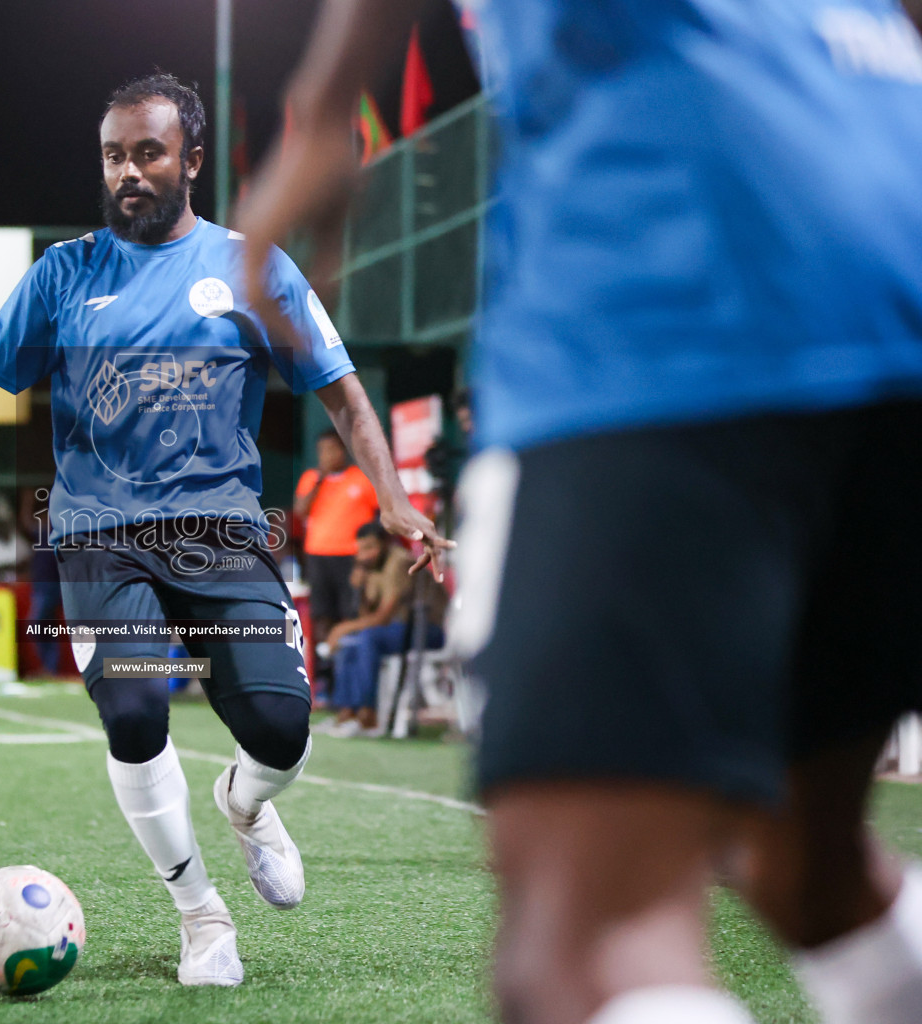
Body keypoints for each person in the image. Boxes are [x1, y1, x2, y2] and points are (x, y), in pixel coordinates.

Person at [237, 2, 922, 1023]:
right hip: (892, 217)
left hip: (679, 258)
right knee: (808, 861)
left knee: (591, 942)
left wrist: (325, 107)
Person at [0, 72, 451, 987]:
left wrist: (394, 500)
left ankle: (244, 803)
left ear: (191, 161)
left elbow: (343, 392)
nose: (127, 171)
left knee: (280, 729)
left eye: (148, 152)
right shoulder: (64, 274)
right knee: (133, 708)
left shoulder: (253, 268)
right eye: (115, 155)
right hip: (101, 532)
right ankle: (202, 918)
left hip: (221, 532)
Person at [324, 520, 445, 738]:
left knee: (367, 637)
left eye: (370, 547)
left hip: (430, 630)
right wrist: (359, 589)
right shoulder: (370, 566)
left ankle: (368, 716)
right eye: (361, 549)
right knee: (352, 640)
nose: (364, 555)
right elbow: (366, 616)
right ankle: (346, 713)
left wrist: (341, 628)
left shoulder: (398, 562)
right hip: (398, 629)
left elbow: (383, 617)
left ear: (386, 543)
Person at [294, 428, 379, 700]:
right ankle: (326, 681)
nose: (327, 456)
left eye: (332, 449)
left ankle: (348, 684)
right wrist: (320, 480)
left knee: (350, 614)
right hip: (318, 556)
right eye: (322, 451)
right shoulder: (311, 479)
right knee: (322, 617)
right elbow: (300, 512)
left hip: (352, 558)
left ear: (343, 450)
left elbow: (377, 520)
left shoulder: (361, 479)